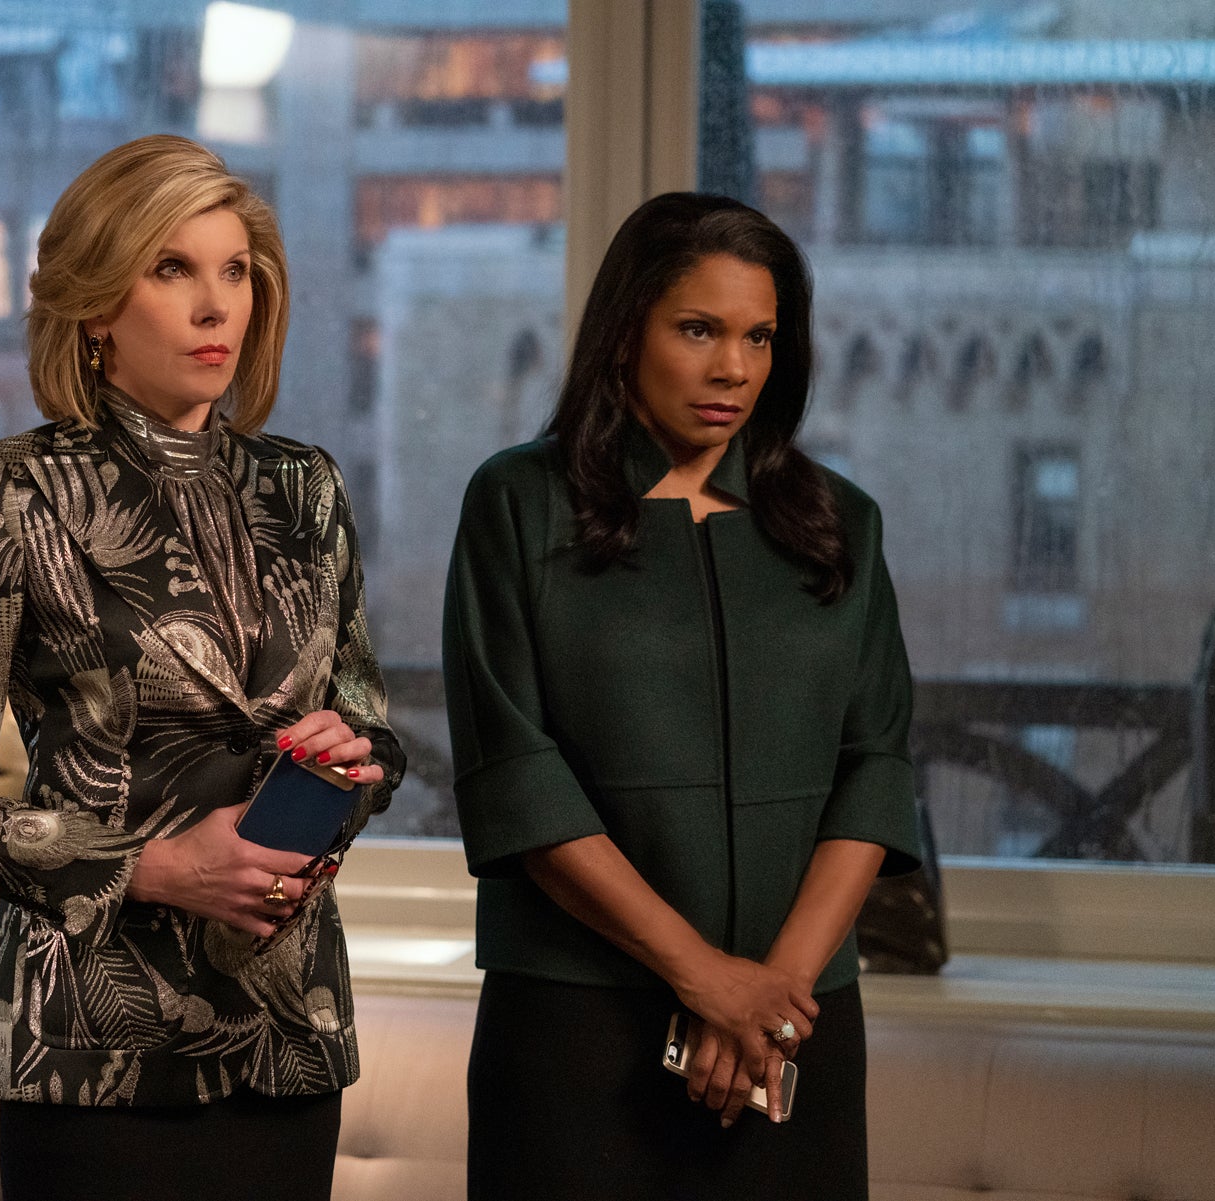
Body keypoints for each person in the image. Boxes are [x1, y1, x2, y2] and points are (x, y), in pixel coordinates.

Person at [0, 134, 403, 1201]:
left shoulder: (305, 490)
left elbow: (369, 725)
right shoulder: (14, 492)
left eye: (234, 270)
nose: (216, 307)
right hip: (95, 1050)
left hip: (287, 1038)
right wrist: (152, 868)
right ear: (98, 305)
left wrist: (352, 763)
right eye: (173, 269)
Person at [442, 192, 922, 1201]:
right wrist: (704, 976)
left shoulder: (845, 522)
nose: (733, 369)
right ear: (626, 333)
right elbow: (518, 775)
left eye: (759, 336)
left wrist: (770, 1001)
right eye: (697, 329)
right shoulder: (517, 506)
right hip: (578, 1033)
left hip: (793, 1040)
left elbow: (875, 766)